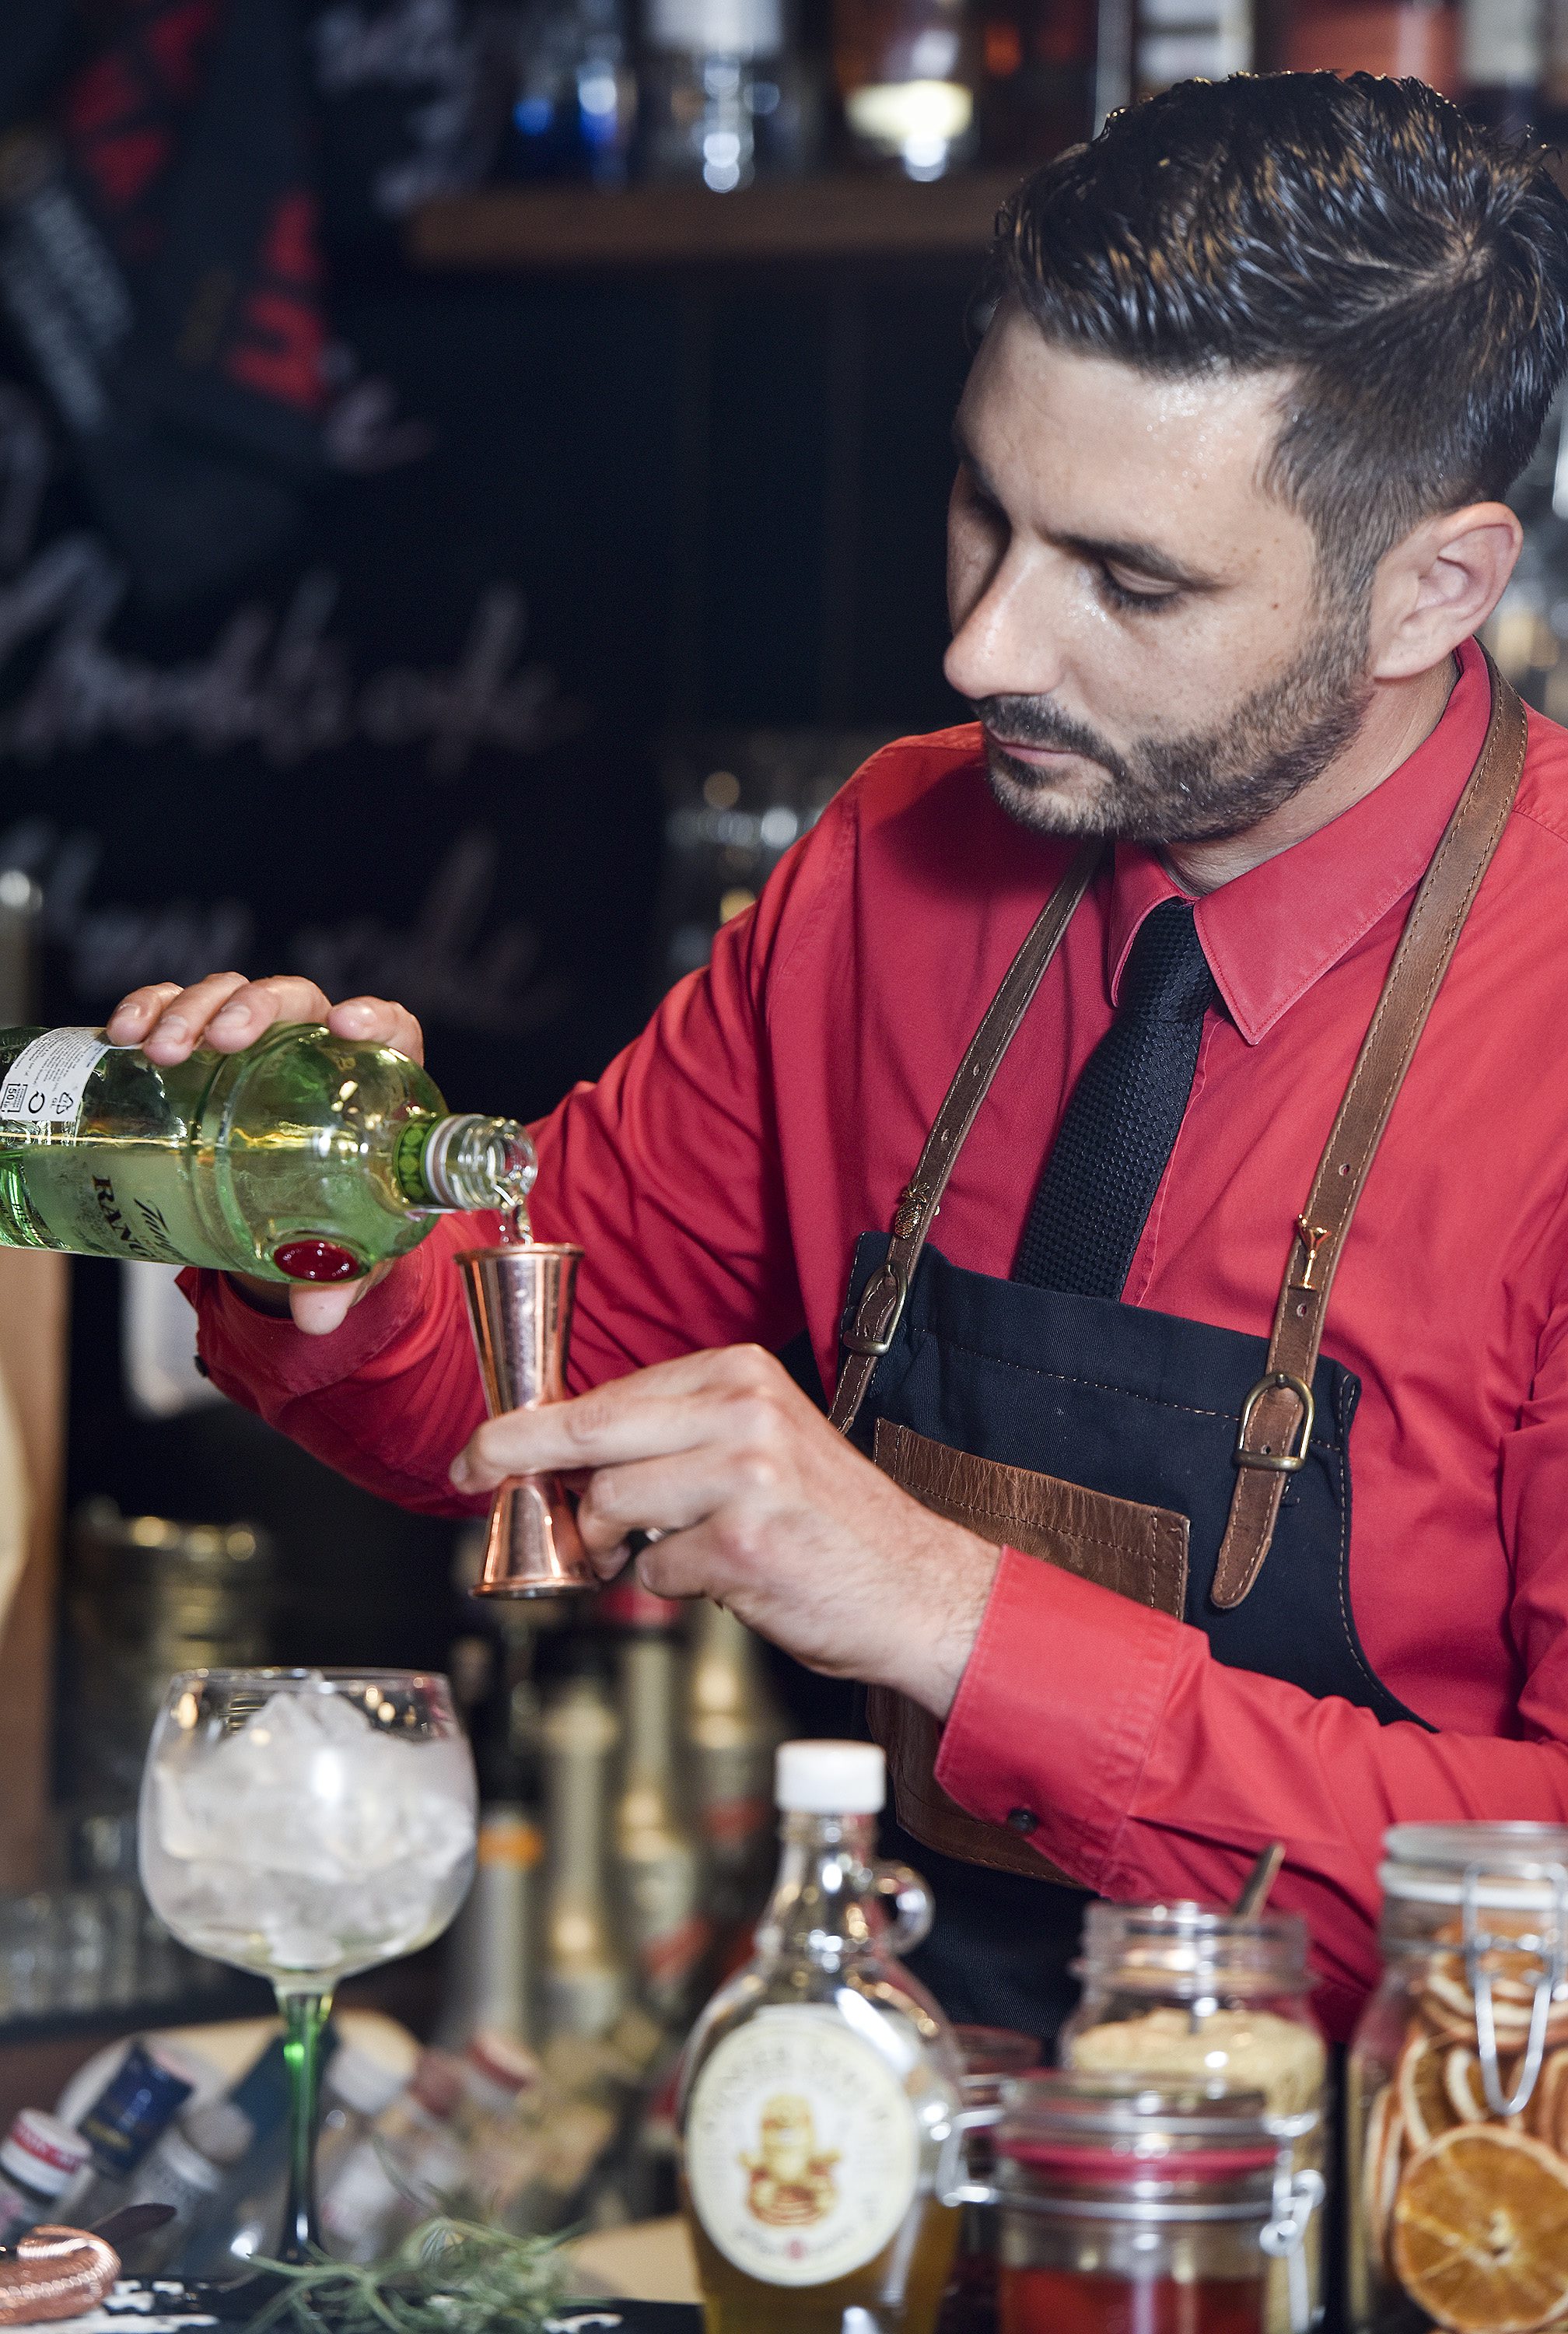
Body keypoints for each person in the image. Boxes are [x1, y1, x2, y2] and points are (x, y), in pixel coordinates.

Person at [110, 72, 1568, 2043]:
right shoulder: (893, 861)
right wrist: (330, 1242)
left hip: (1423, 2176)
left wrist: (948, 1613)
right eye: (983, 509)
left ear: (1435, 590)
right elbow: (521, 1389)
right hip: (895, 2117)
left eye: (1131, 581)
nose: (985, 649)